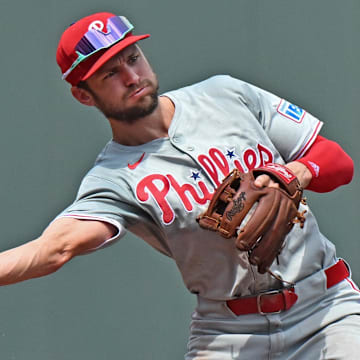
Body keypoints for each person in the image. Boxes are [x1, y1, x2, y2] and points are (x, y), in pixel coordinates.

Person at [1, 11, 360, 359]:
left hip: (325, 307)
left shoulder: (225, 94)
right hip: (229, 332)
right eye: (111, 72)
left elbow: (339, 163)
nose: (131, 76)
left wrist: (294, 173)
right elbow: (56, 248)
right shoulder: (113, 177)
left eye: (133, 57)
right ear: (84, 95)